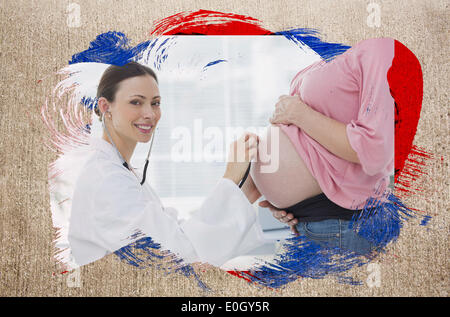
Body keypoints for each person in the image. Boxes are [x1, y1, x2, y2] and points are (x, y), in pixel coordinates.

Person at [68, 61, 265, 268]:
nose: (150, 114)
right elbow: (180, 255)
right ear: (105, 107)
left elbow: (175, 234)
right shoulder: (106, 180)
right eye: (136, 102)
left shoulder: (121, 172)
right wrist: (230, 177)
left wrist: (247, 191)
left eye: (155, 103)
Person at [243, 38, 401, 254]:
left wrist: (298, 113)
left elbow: (375, 149)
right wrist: (283, 200)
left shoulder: (378, 48)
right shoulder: (337, 50)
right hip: (312, 221)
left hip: (340, 224)